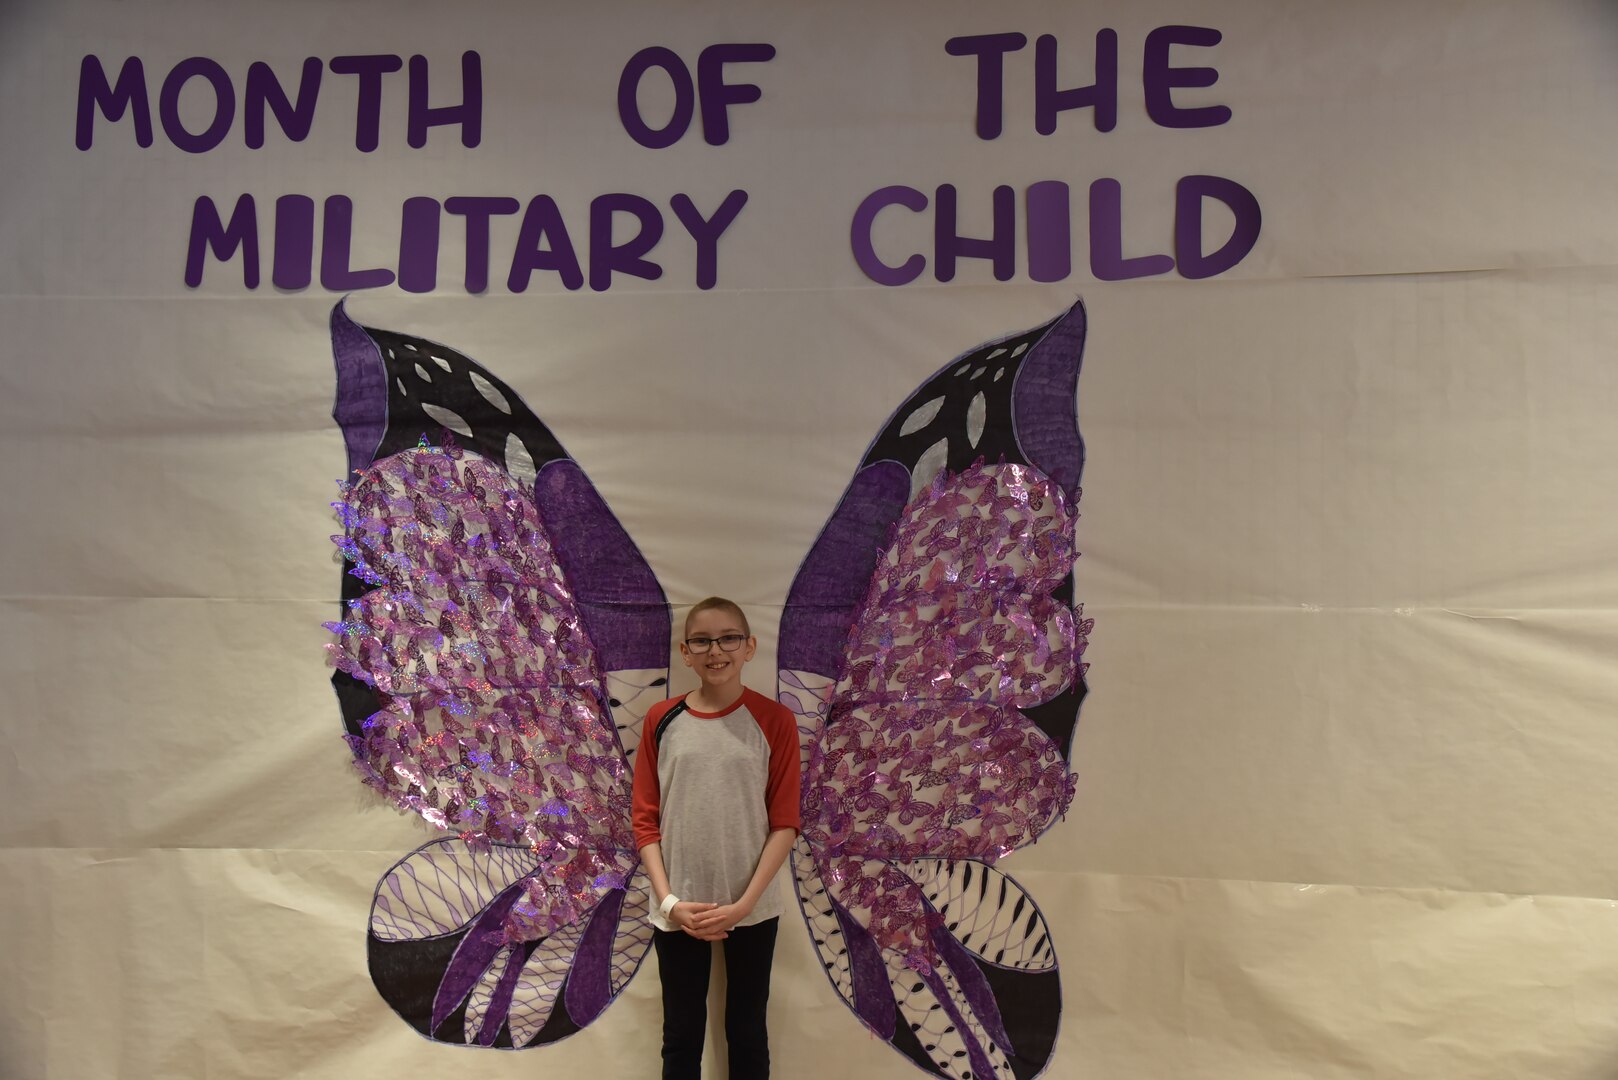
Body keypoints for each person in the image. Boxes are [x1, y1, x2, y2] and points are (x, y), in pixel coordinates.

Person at [631, 596, 801, 1080]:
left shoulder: (775, 721)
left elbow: (784, 822)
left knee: (748, 1032)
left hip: (752, 906)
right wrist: (668, 902)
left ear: (749, 647)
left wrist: (745, 904)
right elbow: (646, 820)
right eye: (702, 641)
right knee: (680, 1036)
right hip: (677, 908)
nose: (715, 650)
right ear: (686, 652)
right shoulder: (660, 720)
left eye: (728, 638)